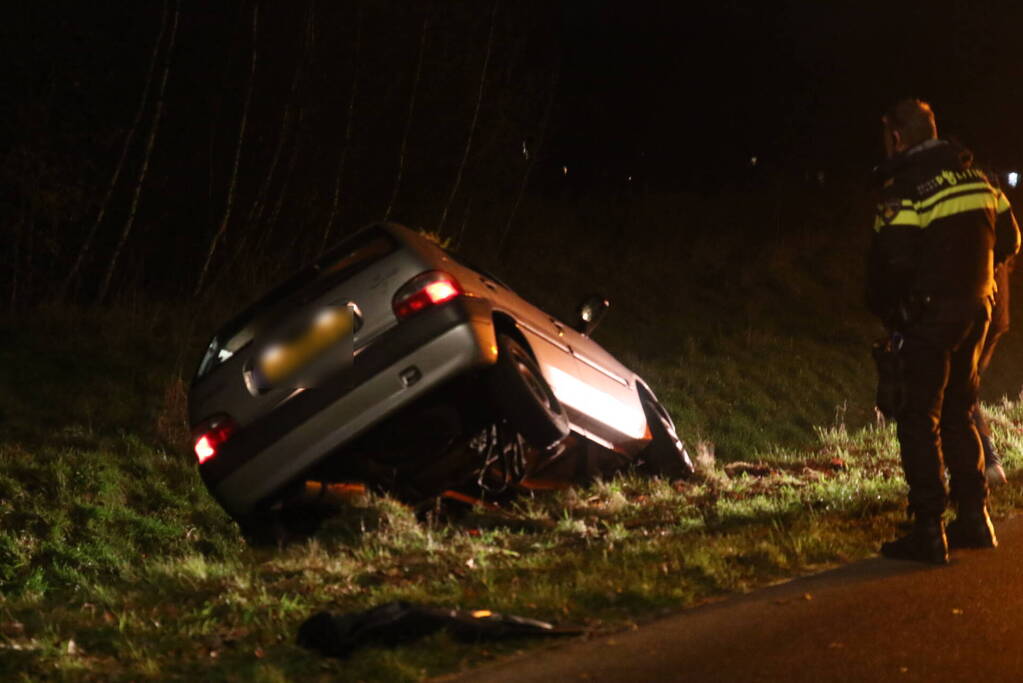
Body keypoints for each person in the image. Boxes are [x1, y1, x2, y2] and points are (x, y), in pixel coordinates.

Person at [866, 98, 1020, 564]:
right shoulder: (980, 179)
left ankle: (929, 531)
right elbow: (1011, 240)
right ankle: (975, 520)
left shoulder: (906, 186)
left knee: (918, 417)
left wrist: (895, 311)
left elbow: (890, 262)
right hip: (979, 312)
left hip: (929, 315)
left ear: (897, 136)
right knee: (958, 410)